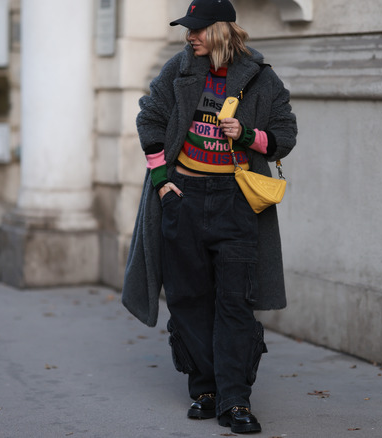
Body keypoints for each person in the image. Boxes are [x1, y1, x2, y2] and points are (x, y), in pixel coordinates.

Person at [121, 0, 297, 434]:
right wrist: (164, 182)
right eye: (188, 29)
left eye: (198, 29)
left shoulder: (259, 77)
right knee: (187, 297)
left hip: (235, 198)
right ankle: (205, 389)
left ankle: (235, 399)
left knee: (234, 300)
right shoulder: (177, 71)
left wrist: (249, 135)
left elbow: (285, 134)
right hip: (183, 195)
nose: (190, 36)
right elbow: (150, 120)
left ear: (221, 30)